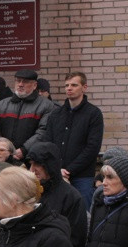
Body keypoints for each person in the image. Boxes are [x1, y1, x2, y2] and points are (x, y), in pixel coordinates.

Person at [42, 71, 104, 208]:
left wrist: (69, 170)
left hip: (82, 176)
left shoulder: (93, 114)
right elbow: (48, 144)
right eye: (66, 85)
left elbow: (92, 148)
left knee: (83, 213)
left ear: (84, 87)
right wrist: (56, 168)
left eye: (74, 85)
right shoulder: (55, 114)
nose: (69, 88)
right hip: (56, 174)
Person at [27, 142, 88, 247]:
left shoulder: (71, 197)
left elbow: (76, 241)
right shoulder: (29, 193)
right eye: (31, 164)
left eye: (37, 164)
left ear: (49, 165)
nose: (32, 170)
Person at [0, 69, 55, 162]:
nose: (20, 84)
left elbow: (43, 131)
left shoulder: (46, 105)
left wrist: (24, 150)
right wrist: (3, 148)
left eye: (25, 82)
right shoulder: (1, 105)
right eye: (18, 81)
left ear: (34, 85)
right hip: (4, 159)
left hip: (32, 159)